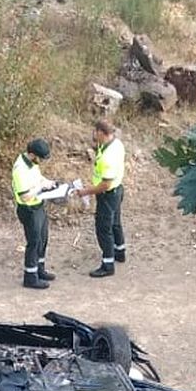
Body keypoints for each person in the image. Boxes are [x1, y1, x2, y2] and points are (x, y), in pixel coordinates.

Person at [76, 119, 127, 278]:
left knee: (104, 229)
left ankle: (108, 264)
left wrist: (86, 191)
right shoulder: (116, 144)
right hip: (118, 190)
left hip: (107, 194)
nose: (93, 134)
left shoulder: (108, 157)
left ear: (101, 133)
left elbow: (105, 184)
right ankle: (120, 251)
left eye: (95, 131)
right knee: (116, 223)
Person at [12, 138, 59, 290]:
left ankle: (40, 269)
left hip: (38, 206)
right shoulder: (20, 169)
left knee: (43, 238)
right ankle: (30, 277)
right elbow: (25, 195)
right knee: (34, 242)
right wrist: (41, 188)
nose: (42, 162)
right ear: (32, 154)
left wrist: (49, 183)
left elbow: (38, 179)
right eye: (40, 158)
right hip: (28, 209)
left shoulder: (32, 164)